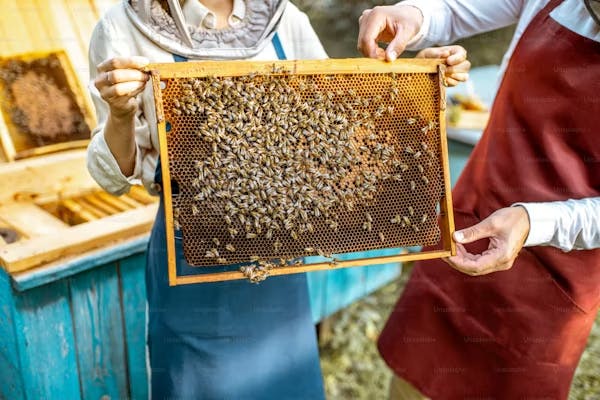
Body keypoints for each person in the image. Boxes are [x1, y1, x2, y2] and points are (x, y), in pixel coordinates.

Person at [86, 1, 470, 398]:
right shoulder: (121, 28)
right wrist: (119, 116)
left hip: (280, 265)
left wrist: (416, 79)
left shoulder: (283, 17)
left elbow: (338, 123)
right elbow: (111, 179)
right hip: (195, 262)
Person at [357, 1, 600, 399]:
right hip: (470, 220)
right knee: (414, 381)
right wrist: (413, 17)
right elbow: (454, 10)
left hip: (556, 276)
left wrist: (532, 222)